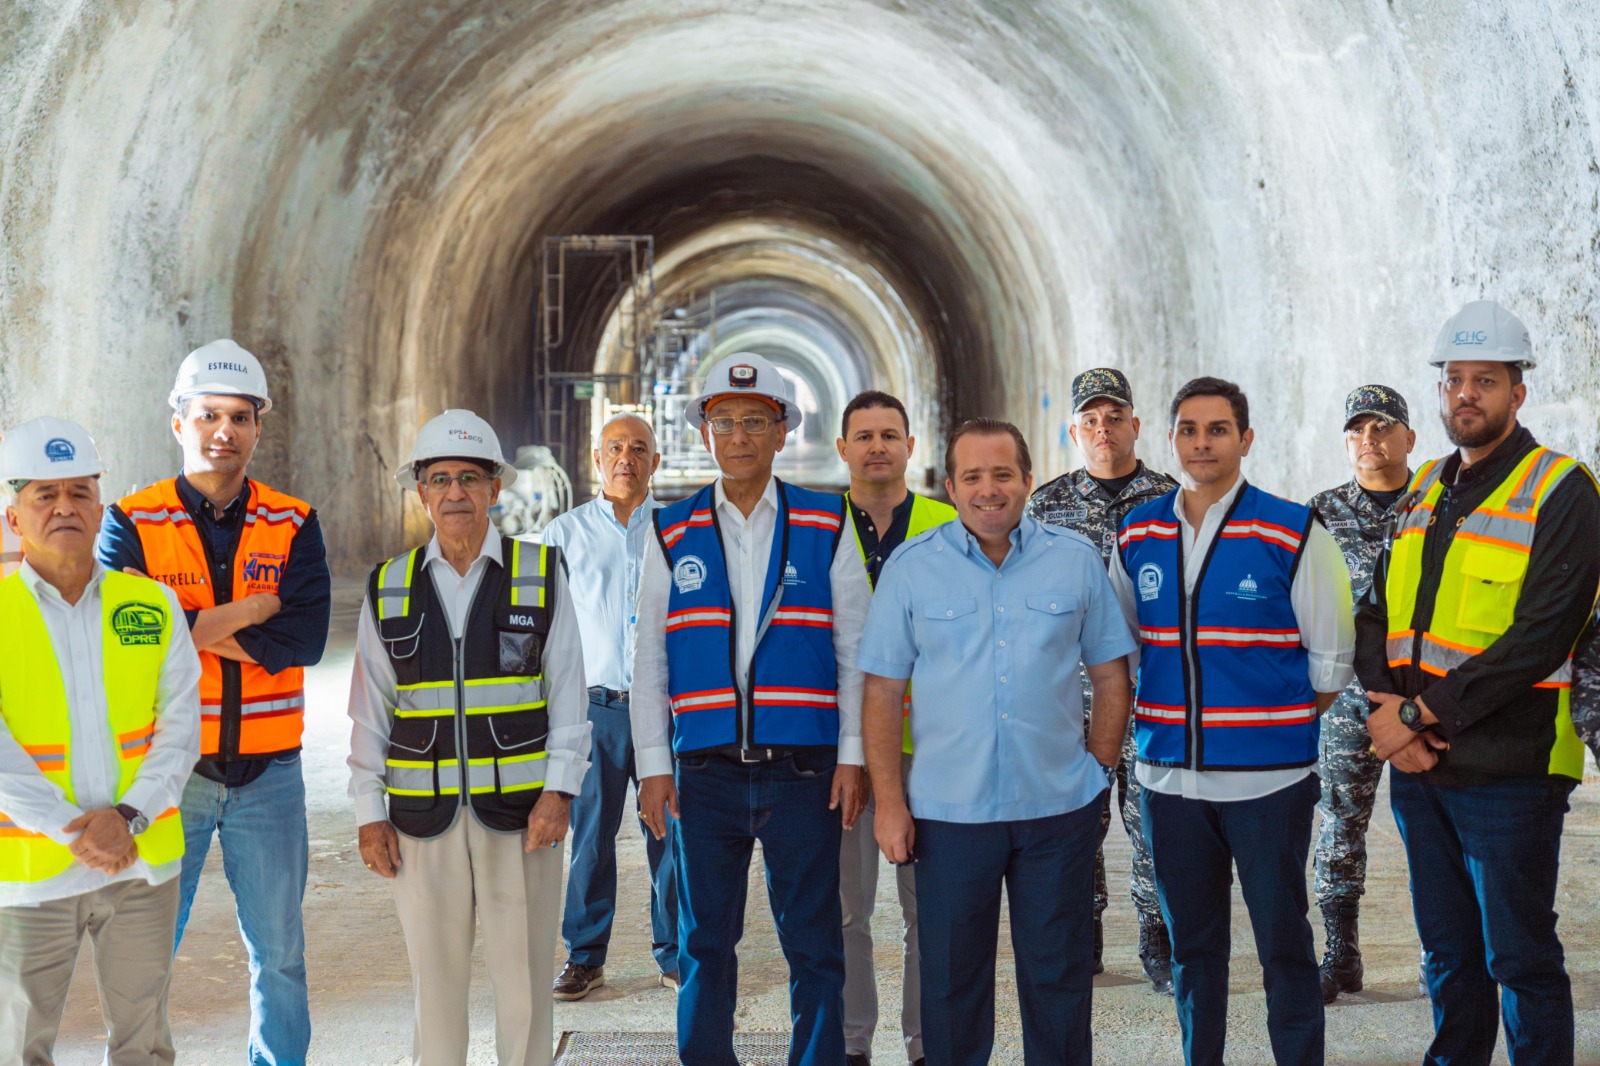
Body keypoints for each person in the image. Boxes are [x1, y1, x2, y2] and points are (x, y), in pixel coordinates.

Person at [1357, 300, 1600, 1064]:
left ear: (1517, 392)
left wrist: (1421, 714)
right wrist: (1392, 717)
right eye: (1454, 380)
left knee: (1519, 959)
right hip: (1422, 772)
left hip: (1511, 773)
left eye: (1485, 381)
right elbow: (1375, 613)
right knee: (1448, 955)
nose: (1466, 394)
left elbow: (1542, 635)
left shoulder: (1562, 490)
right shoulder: (1425, 487)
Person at [859, 417, 1133, 1066]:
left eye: (1003, 474)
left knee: (1060, 984)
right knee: (951, 991)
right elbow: (879, 692)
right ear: (950, 486)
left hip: (1057, 813)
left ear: (1028, 481)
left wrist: (1097, 767)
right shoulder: (911, 570)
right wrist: (891, 805)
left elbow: (1112, 675)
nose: (990, 490)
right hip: (949, 819)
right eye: (974, 477)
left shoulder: (1073, 561)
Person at [631, 352, 869, 1066]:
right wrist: (652, 766)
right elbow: (649, 660)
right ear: (705, 433)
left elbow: (855, 650)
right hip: (703, 773)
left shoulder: (828, 522)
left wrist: (853, 756)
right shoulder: (669, 531)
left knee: (815, 941)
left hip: (804, 771)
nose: (739, 436)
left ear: (782, 431)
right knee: (704, 943)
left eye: (755, 422)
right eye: (725, 421)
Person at [97, 339, 330, 1066]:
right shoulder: (130, 520)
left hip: (271, 775)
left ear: (259, 428)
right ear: (178, 423)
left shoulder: (294, 521)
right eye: (207, 416)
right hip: (169, 779)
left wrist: (190, 624)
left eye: (239, 416)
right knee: (145, 956)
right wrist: (252, 608)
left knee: (281, 957)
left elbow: (306, 638)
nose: (222, 431)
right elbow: (124, 640)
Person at [1109, 377, 1354, 1066]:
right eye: (1189, 429)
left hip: (1267, 786)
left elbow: (1332, 660)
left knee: (1283, 942)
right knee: (1193, 948)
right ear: (1173, 440)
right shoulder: (1137, 532)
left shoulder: (1291, 529)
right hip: (1168, 783)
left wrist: (1266, 728)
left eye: (1217, 429)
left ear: (1245, 440)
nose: (1202, 442)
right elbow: (1119, 647)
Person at [347, 409, 592, 1066]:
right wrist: (369, 814)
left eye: (470, 478)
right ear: (421, 491)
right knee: (436, 992)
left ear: (495, 488)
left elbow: (569, 690)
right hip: (421, 824)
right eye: (440, 479)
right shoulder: (389, 586)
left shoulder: (540, 575)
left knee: (525, 990)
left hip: (522, 819)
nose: (455, 493)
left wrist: (560, 793)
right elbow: (371, 710)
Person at [0, 417, 201, 1064]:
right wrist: (73, 829)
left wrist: (127, 819)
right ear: (14, 517)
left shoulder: (152, 605)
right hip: (29, 874)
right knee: (17, 1046)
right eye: (45, 495)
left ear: (100, 508)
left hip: (141, 864)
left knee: (144, 1045)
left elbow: (180, 726)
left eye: (80, 492)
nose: (65, 507)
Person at [1025, 367, 1178, 993]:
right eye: (1090, 420)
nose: (1103, 428)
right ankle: (1080, 943)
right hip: (1073, 698)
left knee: (1154, 827)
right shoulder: (1047, 507)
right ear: (1073, 431)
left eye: (1114, 416)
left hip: (1152, 695)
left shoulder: (1172, 498)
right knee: (1076, 827)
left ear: (1136, 425)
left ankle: (1157, 947)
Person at [834, 389, 956, 1066]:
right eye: (865, 435)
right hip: (847, 748)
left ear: (912, 446)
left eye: (890, 434)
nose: (878, 446)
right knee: (846, 910)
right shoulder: (818, 525)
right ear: (843, 448)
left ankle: (924, 1042)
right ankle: (853, 1042)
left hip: (934, 749)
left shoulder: (947, 522)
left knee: (929, 913)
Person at [545, 412, 679, 1000]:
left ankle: (676, 952)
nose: (627, 457)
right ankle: (585, 954)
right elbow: (540, 628)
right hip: (592, 707)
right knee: (591, 839)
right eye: (615, 448)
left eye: (639, 448)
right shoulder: (562, 535)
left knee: (671, 833)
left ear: (656, 462)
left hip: (664, 710)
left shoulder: (678, 532)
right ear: (596, 460)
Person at [1303, 383, 1415, 1003]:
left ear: (1409, 437)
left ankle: (1439, 953)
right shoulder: (1318, 514)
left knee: (1435, 829)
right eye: (1357, 431)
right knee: (1340, 823)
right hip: (1347, 696)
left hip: (1426, 695)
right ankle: (1339, 953)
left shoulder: (1439, 502)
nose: (1369, 440)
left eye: (1382, 427)